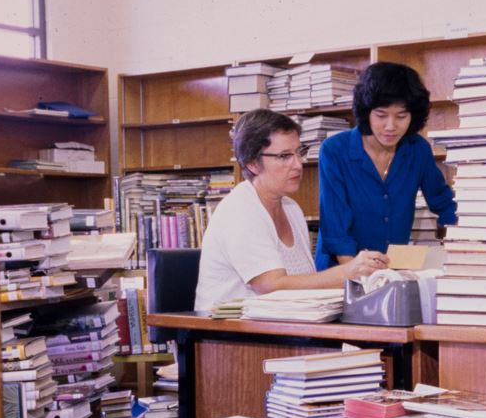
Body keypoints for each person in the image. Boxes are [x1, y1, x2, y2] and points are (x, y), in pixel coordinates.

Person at [194, 109, 386, 311]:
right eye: (284, 156)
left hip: (284, 324)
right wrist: (347, 272)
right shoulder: (239, 209)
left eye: (299, 152)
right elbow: (270, 286)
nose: (298, 164)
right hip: (228, 333)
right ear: (252, 163)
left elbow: (305, 284)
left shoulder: (291, 208)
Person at [313, 61, 457, 270]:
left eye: (401, 116)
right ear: (366, 111)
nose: (391, 126)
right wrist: (357, 275)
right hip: (342, 272)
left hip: (392, 270)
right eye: (381, 115)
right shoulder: (335, 150)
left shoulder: (417, 149)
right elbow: (336, 226)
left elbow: (444, 203)